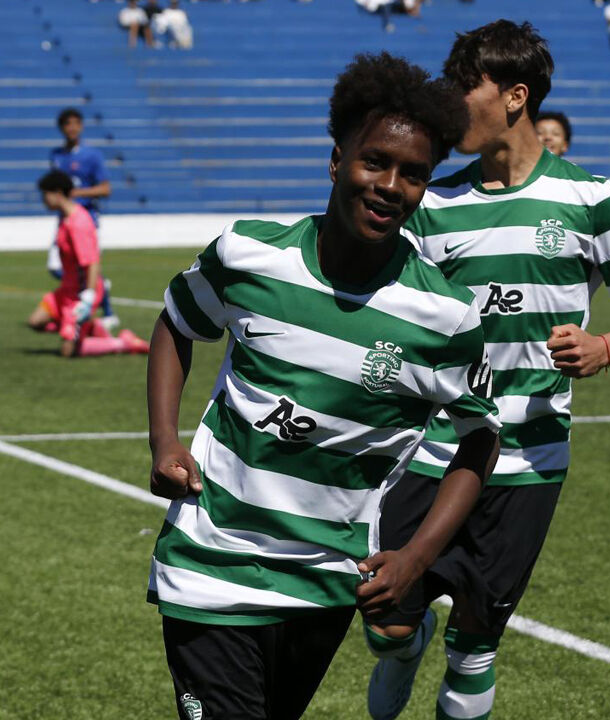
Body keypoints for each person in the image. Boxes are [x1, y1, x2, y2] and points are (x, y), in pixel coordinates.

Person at [144, 53, 501, 720]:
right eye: (374, 161)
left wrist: (417, 558)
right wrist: (165, 441)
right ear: (337, 160)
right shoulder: (249, 256)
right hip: (211, 563)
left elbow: (480, 438)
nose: (391, 185)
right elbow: (175, 323)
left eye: (414, 174)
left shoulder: (445, 318)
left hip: (326, 582)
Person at [363, 20, 610, 720]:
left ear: (514, 97)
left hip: (529, 457)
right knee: (385, 621)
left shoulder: (590, 199)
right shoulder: (434, 206)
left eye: (463, 88)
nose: (450, 106)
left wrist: (606, 348)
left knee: (476, 645)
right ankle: (406, 641)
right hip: (432, 450)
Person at [24, 171, 149, 358]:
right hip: (65, 291)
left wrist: (88, 296)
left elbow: (91, 262)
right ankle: (90, 327)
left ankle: (123, 343)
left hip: (79, 293)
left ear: (58, 193)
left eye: (45, 194)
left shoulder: (78, 223)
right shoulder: (66, 219)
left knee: (68, 351)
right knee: (35, 322)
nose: (43, 200)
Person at [49, 108, 120, 331]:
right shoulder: (56, 156)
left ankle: (105, 310)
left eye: (76, 123)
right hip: (64, 219)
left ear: (81, 126)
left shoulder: (92, 155)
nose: (72, 128)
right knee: (56, 266)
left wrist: (76, 194)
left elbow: (106, 188)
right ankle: (96, 289)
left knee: (86, 264)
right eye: (67, 124)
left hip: (85, 219)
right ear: (61, 128)